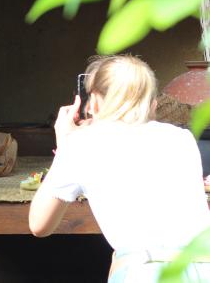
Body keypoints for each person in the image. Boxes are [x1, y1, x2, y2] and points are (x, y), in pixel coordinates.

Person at [29, 55, 210, 282]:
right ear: (154, 105)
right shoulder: (182, 138)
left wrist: (65, 145)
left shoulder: (80, 144)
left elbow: (39, 225)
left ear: (93, 104)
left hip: (144, 273)